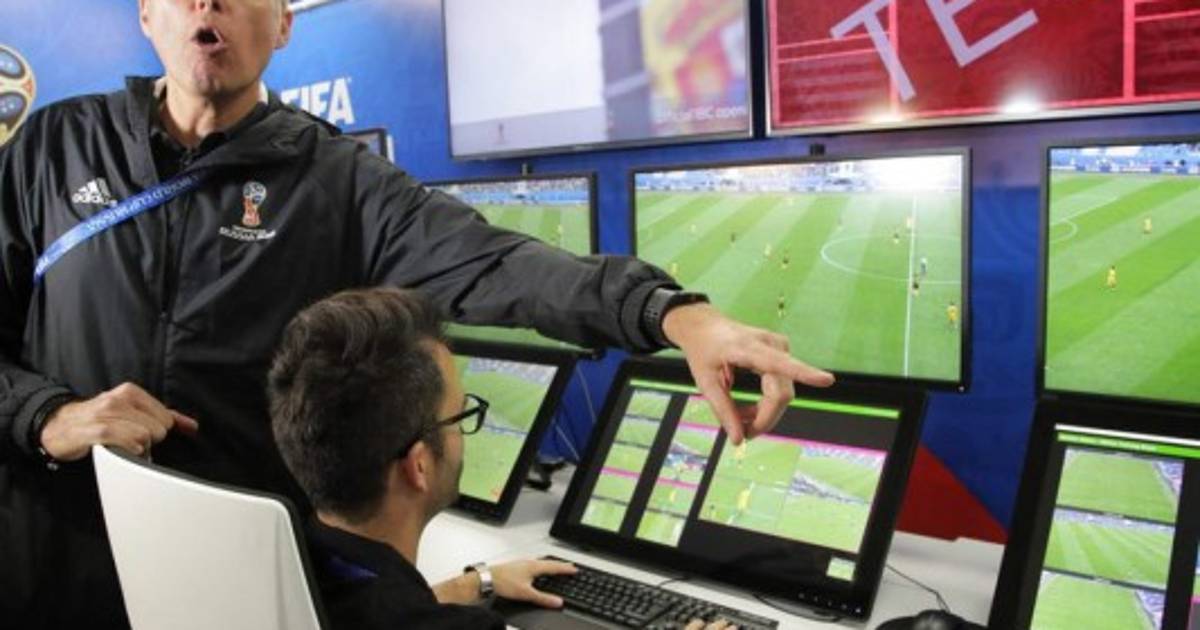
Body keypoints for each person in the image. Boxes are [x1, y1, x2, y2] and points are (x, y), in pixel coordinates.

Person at [0, 1, 831, 626]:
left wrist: (671, 315)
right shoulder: (53, 149)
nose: (207, 3)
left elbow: (492, 261)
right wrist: (46, 415)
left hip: (249, 581)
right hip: (59, 563)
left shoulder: (333, 177)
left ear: (283, 24)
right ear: (147, 14)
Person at [268, 287, 732, 630]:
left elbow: (384, 612)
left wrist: (475, 584)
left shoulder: (288, 570)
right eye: (460, 415)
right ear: (419, 466)